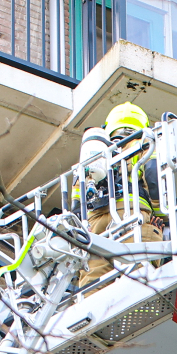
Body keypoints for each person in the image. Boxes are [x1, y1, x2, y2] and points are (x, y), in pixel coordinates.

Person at [72, 103, 165, 287]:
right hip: (131, 217)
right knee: (139, 282)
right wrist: (161, 215)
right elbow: (153, 178)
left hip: (95, 226)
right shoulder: (143, 144)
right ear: (142, 125)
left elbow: (76, 202)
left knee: (93, 286)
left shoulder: (95, 153)